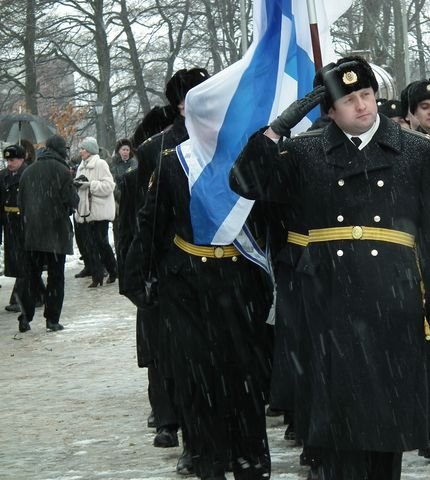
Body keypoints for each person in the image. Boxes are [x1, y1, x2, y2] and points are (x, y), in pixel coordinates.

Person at [230, 55, 430, 480]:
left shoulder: (415, 150)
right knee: (337, 434)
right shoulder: (303, 152)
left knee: (385, 433)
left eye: (367, 95)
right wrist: (278, 128)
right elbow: (245, 182)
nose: (362, 106)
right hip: (327, 306)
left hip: (393, 302)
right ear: (330, 111)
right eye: (349, 99)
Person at [123, 74, 273, 480]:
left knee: (246, 381)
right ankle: (207, 459)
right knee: (197, 381)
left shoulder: (246, 161)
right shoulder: (172, 162)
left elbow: (269, 221)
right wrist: (137, 282)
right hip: (187, 288)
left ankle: (251, 460)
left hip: (241, 284)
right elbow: (151, 223)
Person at [119, 68, 210, 475]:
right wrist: (140, 277)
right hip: (177, 270)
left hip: (227, 272)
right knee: (180, 363)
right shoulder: (156, 150)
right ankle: (191, 439)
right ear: (180, 104)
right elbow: (142, 220)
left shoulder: (227, 140)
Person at [17, 135, 79, 332]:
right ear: (61, 150)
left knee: (30, 277)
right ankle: (52, 319)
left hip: (33, 231)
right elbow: (72, 201)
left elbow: (21, 202)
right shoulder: (62, 171)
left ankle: (25, 316)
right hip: (56, 233)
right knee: (55, 278)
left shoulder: (28, 171)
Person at [74, 136, 118, 288]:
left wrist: (90, 185)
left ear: (90, 150)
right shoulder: (81, 166)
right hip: (86, 212)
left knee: (101, 243)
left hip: (99, 211)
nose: (81, 152)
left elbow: (109, 186)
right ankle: (96, 275)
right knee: (90, 245)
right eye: (81, 149)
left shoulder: (100, 164)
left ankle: (113, 270)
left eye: (83, 149)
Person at [1, 145, 29, 317]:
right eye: (7, 160)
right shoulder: (3, 176)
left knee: (24, 261)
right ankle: (38, 293)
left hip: (24, 222)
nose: (9, 163)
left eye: (13, 160)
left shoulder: (27, 174)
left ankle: (19, 298)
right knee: (17, 260)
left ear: (21, 159)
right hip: (9, 222)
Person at [110, 138, 138, 248]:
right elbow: (112, 183)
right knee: (118, 229)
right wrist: (120, 195)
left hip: (132, 202)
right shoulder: (113, 165)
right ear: (118, 151)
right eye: (123, 149)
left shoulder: (135, 163)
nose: (126, 152)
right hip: (118, 202)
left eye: (127, 149)